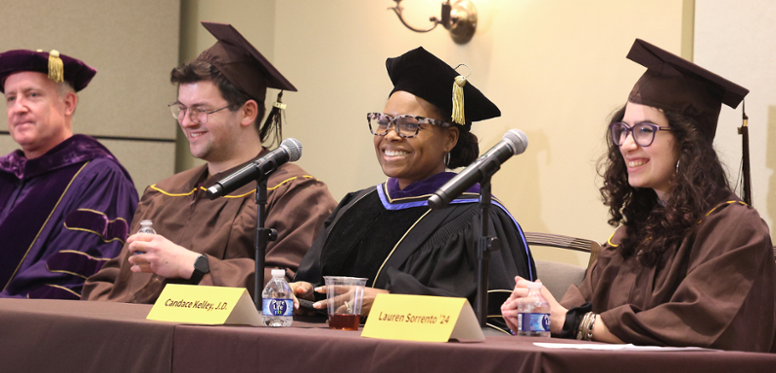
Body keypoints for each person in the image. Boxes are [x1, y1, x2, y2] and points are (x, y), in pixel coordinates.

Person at [502, 39, 776, 352]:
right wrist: (534, 315)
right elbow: (569, 313)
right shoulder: (633, 232)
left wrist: (576, 322)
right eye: (624, 130)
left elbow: (692, 325)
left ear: (689, 143)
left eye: (645, 130)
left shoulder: (734, 229)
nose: (627, 144)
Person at [81, 22, 336, 303]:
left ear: (247, 112)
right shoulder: (163, 194)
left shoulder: (296, 194)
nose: (187, 121)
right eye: (181, 109)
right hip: (136, 339)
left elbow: (295, 287)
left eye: (201, 110)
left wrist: (194, 265)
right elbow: (112, 278)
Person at [291, 47, 536, 329]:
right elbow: (320, 288)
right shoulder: (356, 206)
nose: (391, 135)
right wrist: (308, 295)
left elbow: (498, 322)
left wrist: (389, 303)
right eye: (383, 122)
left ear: (450, 139)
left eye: (409, 125)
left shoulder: (478, 217)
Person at [0, 49, 139, 299]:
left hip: (23, 331)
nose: (18, 108)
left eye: (32, 95)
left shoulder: (99, 178)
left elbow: (73, 276)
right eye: (10, 98)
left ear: (68, 104)